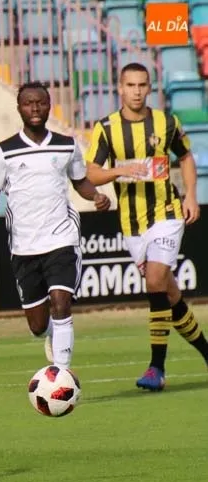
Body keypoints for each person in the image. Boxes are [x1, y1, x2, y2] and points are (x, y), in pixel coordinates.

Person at [84, 62, 208, 391]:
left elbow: (186, 157)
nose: (137, 91)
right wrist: (121, 170)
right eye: (131, 85)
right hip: (131, 223)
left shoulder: (166, 122)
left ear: (149, 88)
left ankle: (156, 368)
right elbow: (92, 172)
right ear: (120, 89)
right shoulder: (106, 128)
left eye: (143, 85)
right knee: (166, 292)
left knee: (154, 279)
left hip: (167, 213)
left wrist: (191, 196)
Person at [0, 82, 112, 370]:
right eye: (29, 103)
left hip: (61, 238)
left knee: (61, 302)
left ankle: (61, 373)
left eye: (40, 102)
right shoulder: (4, 151)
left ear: (49, 105)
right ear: (19, 108)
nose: (35, 108)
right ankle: (51, 334)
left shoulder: (67, 144)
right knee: (38, 325)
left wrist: (97, 196)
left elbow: (80, 182)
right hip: (24, 245)